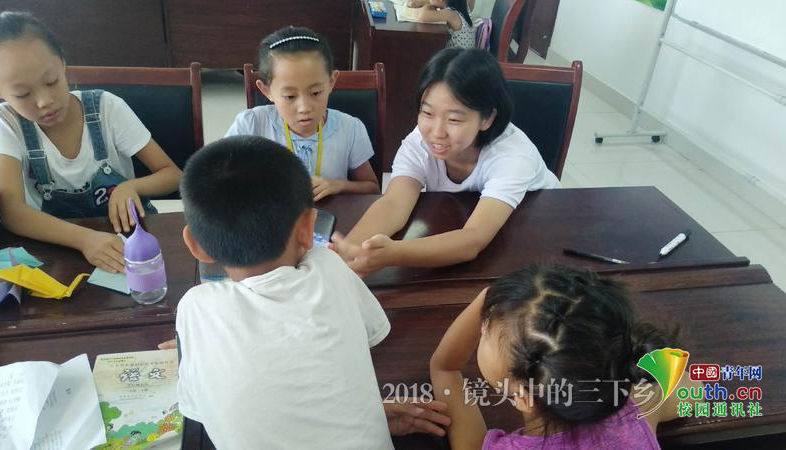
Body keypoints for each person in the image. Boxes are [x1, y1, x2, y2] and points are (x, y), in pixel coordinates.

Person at [174, 135, 448, 448]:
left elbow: (207, 410)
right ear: (308, 228)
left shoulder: (194, 308)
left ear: (195, 245)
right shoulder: (329, 267)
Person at [331, 48, 560, 276]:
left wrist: (392, 254)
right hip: (465, 224)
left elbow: (473, 239)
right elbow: (394, 203)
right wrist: (349, 250)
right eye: (428, 113)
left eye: (454, 119)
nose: (436, 133)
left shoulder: (513, 156)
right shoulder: (419, 142)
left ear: (488, 118)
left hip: (536, 231)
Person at [0, 11, 181, 273]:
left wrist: (131, 186)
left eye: (51, 81)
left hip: (129, 242)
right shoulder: (4, 121)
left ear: (63, 63)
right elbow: (13, 212)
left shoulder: (107, 108)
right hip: (57, 249)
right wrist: (85, 239)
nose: (45, 101)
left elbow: (173, 175)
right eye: (23, 94)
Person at [430, 264, 703, 449]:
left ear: (523, 397)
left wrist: (485, 297)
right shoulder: (636, 410)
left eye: (485, 329)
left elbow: (445, 369)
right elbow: (694, 391)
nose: (483, 325)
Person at [226, 26, 379, 201]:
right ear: (266, 91)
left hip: (332, 217)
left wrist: (337, 185)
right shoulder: (251, 124)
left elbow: (372, 188)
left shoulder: (350, 128)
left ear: (331, 82)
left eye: (315, 93)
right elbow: (218, 178)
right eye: (290, 96)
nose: (304, 108)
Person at [408, 0, 476, 49]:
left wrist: (428, 3)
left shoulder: (451, 14)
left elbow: (422, 15)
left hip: (457, 60)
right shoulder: (463, 8)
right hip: (465, 57)